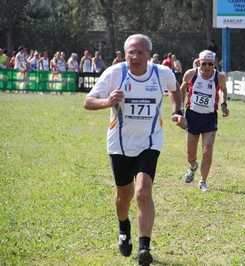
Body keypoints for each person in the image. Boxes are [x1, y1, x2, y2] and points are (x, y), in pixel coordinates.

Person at [83, 33, 187, 265]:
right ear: (125, 54)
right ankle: (123, 229)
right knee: (124, 196)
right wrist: (108, 102)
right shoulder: (114, 74)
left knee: (143, 192)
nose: (136, 56)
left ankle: (144, 248)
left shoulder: (162, 73)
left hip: (150, 141)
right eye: (132, 52)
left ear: (149, 55)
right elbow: (88, 102)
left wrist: (177, 111)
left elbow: (174, 88)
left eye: (141, 52)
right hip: (119, 144)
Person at [180, 50, 229, 192]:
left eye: (210, 64)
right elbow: (182, 88)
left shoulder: (219, 77)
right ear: (198, 62)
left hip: (209, 117)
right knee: (190, 154)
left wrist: (224, 104)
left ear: (214, 64)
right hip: (192, 116)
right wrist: (180, 109)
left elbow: (223, 90)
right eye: (204, 64)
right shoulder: (191, 74)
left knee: (207, 151)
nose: (207, 67)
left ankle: (203, 181)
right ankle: (192, 166)